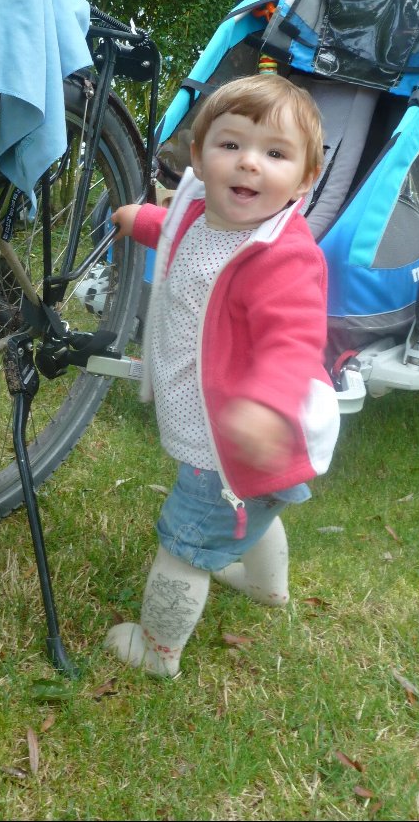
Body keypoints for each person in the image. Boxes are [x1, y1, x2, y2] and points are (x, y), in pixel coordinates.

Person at [104, 72, 340, 677]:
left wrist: (265, 407)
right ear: (200, 156)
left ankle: (158, 650)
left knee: (187, 544)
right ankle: (268, 589)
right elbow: (178, 233)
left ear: (306, 180)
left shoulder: (283, 257)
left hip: (236, 436)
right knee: (260, 512)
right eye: (230, 145)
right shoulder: (199, 215)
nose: (249, 164)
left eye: (276, 154)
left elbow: (294, 343)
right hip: (226, 428)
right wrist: (139, 220)